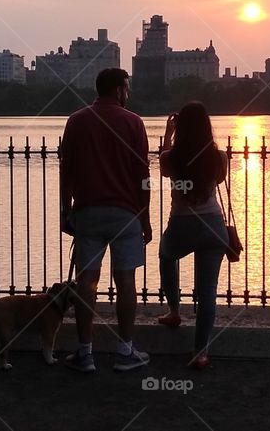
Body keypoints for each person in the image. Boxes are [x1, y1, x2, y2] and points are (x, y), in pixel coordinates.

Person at [59, 67, 151, 372]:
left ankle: (85, 352)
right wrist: (145, 217)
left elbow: (66, 171)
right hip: (126, 214)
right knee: (126, 282)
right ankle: (124, 351)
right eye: (127, 88)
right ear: (117, 90)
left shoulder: (76, 121)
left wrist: (65, 209)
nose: (129, 93)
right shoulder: (134, 123)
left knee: (87, 281)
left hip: (88, 212)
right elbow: (142, 176)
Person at [157, 100, 229, 371]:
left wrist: (168, 135)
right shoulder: (218, 157)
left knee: (166, 255)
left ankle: (174, 311)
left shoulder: (171, 158)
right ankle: (201, 352)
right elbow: (218, 180)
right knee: (208, 290)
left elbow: (164, 167)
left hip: (182, 224)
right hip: (213, 224)